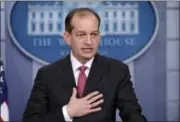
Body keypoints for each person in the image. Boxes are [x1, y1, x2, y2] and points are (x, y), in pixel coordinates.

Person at [22, 7, 147, 122]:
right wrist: (67, 112)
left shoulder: (117, 70)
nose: (89, 41)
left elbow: (133, 115)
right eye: (81, 35)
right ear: (67, 37)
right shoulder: (47, 75)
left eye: (94, 34)